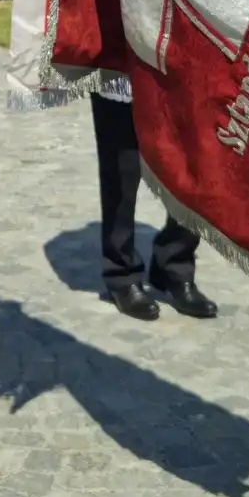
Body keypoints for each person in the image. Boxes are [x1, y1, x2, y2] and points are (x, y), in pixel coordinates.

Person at [90, 74, 214, 320]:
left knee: (194, 160)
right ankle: (121, 273)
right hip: (122, 61)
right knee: (122, 165)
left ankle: (175, 264)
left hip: (189, 57)